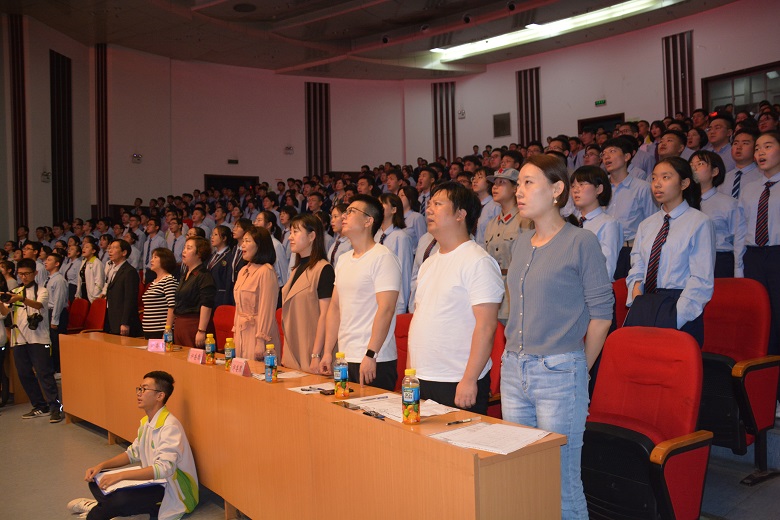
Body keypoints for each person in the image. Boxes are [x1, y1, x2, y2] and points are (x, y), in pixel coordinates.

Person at [502, 155, 613, 519]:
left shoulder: (581, 241)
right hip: (513, 370)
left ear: (557, 190)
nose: (519, 191)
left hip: (559, 372)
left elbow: (602, 315)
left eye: (529, 182)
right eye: (518, 184)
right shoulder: (521, 243)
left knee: (562, 482)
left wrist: (578, 366)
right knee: (522, 475)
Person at [407, 182, 503, 414]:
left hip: (457, 379)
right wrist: (410, 374)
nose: (429, 209)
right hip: (422, 377)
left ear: (461, 214)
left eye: (438, 204)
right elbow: (419, 319)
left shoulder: (478, 261)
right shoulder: (428, 263)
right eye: (429, 204)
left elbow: (486, 326)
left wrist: (469, 379)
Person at [66, 371, 199, 520]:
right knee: (95, 480)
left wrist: (120, 476)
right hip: (153, 481)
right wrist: (101, 466)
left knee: (119, 500)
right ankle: (104, 508)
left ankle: (96, 512)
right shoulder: (146, 422)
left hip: (173, 490)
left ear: (160, 396)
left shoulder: (170, 427)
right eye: (139, 388)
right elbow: (132, 454)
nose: (139, 393)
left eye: (144, 389)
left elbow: (163, 469)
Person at [626, 157, 715, 347]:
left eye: (665, 177)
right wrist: (637, 294)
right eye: (654, 178)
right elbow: (637, 265)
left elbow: (701, 279)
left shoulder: (699, 222)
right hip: (646, 302)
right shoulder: (646, 224)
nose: (657, 184)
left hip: (679, 304)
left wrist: (676, 317)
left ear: (684, 183)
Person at [319, 195, 401, 391]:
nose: (344, 216)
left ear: (368, 221)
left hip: (375, 359)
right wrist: (328, 351)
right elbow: (335, 308)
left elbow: (386, 309)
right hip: (345, 356)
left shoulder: (383, 257)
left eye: (351, 212)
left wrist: (371, 353)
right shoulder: (344, 259)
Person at [0, 258, 63, 422]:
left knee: (44, 373)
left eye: (27, 273)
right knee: (24, 374)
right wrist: (2, 301)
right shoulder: (15, 291)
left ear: (35, 273)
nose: (24, 277)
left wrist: (19, 299)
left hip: (39, 339)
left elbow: (38, 305)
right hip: (19, 339)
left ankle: (55, 407)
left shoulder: (42, 290)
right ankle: (39, 405)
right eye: (21, 274)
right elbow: (4, 313)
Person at [738, 131, 780, 371]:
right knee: (760, 319)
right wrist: (739, 267)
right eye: (757, 148)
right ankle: (764, 377)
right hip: (753, 256)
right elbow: (740, 229)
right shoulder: (750, 189)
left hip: (777, 255)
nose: (760, 152)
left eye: (768, 146)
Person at [281, 214, 335, 373]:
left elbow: (326, 315)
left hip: (312, 351)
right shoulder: (296, 269)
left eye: (295, 232)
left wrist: (316, 354)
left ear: (312, 236)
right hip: (293, 348)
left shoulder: (323, 269)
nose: (290, 237)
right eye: (290, 232)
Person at [603, 137, 657, 279]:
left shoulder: (643, 188)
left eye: (612, 151)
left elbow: (653, 224)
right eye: (604, 154)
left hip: (629, 251)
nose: (606, 157)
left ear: (626, 156)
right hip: (602, 251)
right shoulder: (600, 189)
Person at [484, 168, 531, 324]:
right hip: (494, 292)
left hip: (516, 292)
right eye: (494, 183)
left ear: (515, 188)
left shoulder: (526, 221)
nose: (495, 187)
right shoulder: (491, 224)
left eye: (501, 183)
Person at [690, 150, 746, 278]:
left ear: (714, 171)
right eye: (691, 165)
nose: (694, 168)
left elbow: (738, 240)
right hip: (690, 260)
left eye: (700, 164)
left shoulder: (729, 204)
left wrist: (738, 269)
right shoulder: (684, 202)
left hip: (719, 260)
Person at [233, 226, 281, 361]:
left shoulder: (266, 271)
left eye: (247, 241)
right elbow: (238, 307)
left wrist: (261, 340)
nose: (243, 245)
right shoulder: (243, 271)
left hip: (258, 333)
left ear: (259, 246)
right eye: (243, 241)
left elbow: (267, 309)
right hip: (241, 332)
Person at [571, 166, 623, 281]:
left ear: (599, 189)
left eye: (581, 184)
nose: (575, 190)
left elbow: (607, 268)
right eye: (573, 186)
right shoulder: (572, 222)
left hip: (593, 286)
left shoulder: (608, 224)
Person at [174, 237, 216, 348]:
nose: (184, 251)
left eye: (189, 248)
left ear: (199, 253)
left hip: (194, 324)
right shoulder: (185, 274)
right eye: (184, 247)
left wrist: (201, 330)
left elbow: (206, 303)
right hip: (180, 324)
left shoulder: (204, 275)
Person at [376, 193, 413, 314]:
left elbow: (405, 272)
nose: (378, 206)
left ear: (394, 209)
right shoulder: (375, 235)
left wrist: (401, 307)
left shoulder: (401, 237)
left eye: (382, 203)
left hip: (392, 301)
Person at [103, 239, 143, 337]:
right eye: (110, 248)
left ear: (124, 252)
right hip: (111, 317)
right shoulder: (112, 269)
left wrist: (125, 322)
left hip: (123, 321)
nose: (110, 251)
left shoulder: (129, 272)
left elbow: (130, 299)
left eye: (114, 248)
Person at [142, 248, 178, 340]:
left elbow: (172, 306)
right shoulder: (154, 282)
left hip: (160, 330)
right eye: (152, 257)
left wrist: (167, 330)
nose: (151, 260)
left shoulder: (169, 280)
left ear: (164, 260)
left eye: (155, 257)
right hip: (149, 330)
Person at [44, 252, 69, 373]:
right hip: (48, 312)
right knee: (50, 342)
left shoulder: (59, 280)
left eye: (49, 260)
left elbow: (59, 301)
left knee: (56, 343)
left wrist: (54, 320)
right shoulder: (49, 278)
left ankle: (59, 369)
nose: (46, 262)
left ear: (57, 263)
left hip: (57, 313)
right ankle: (52, 367)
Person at [472, 166, 501, 246]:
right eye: (474, 178)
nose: (475, 181)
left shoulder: (495, 206)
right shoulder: (473, 205)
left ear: (489, 182)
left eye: (480, 177)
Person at [207, 225, 235, 307]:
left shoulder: (229, 256)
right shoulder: (213, 255)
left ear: (224, 238)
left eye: (215, 234)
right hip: (210, 295)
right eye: (212, 234)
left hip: (220, 298)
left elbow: (228, 281)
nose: (212, 237)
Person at [76, 238, 105, 303]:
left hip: (93, 295)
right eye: (83, 247)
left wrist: (95, 296)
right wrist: (78, 294)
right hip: (83, 290)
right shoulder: (84, 261)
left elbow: (99, 281)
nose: (83, 249)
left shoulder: (97, 263)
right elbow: (80, 279)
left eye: (87, 247)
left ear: (93, 251)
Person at [398, 186, 426, 252]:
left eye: (402, 195)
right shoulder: (396, 217)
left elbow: (423, 240)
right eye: (398, 195)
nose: (398, 198)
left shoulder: (417, 217)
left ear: (410, 198)